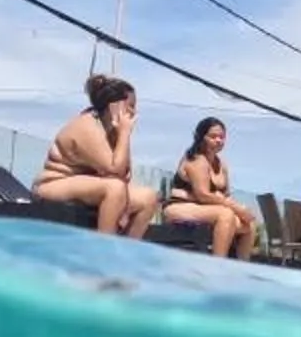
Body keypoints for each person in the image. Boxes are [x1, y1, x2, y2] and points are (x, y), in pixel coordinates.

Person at [36, 74, 155, 237]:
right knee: (114, 188)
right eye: (131, 106)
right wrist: (125, 133)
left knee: (148, 198)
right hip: (55, 183)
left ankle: (126, 251)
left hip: (87, 185)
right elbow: (116, 171)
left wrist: (122, 135)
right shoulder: (87, 125)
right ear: (115, 106)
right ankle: (104, 251)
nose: (134, 112)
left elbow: (126, 173)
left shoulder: (113, 130)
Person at [162, 116, 259, 261]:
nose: (218, 140)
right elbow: (203, 195)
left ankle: (241, 266)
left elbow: (225, 195)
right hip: (179, 206)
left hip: (205, 209)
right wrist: (236, 208)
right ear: (201, 137)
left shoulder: (221, 165)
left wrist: (242, 211)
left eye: (222, 137)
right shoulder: (196, 160)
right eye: (213, 136)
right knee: (225, 215)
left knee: (249, 223)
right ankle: (217, 264)